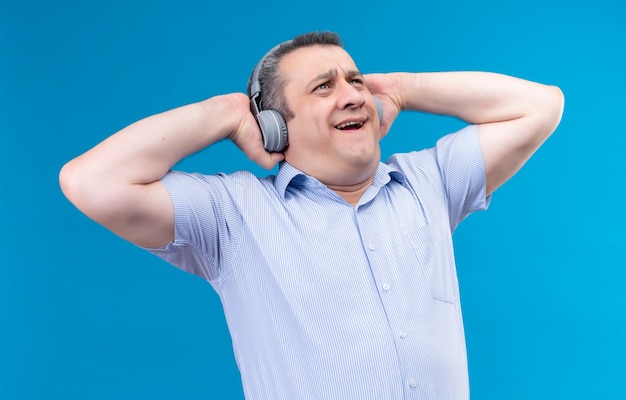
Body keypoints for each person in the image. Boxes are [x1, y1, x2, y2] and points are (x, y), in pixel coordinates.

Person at [59, 31, 564, 399]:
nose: (352, 94)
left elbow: (541, 105)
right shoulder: (232, 215)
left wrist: (404, 89)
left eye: (356, 81)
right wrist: (223, 112)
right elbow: (89, 182)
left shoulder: (427, 183)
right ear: (275, 126)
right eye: (324, 87)